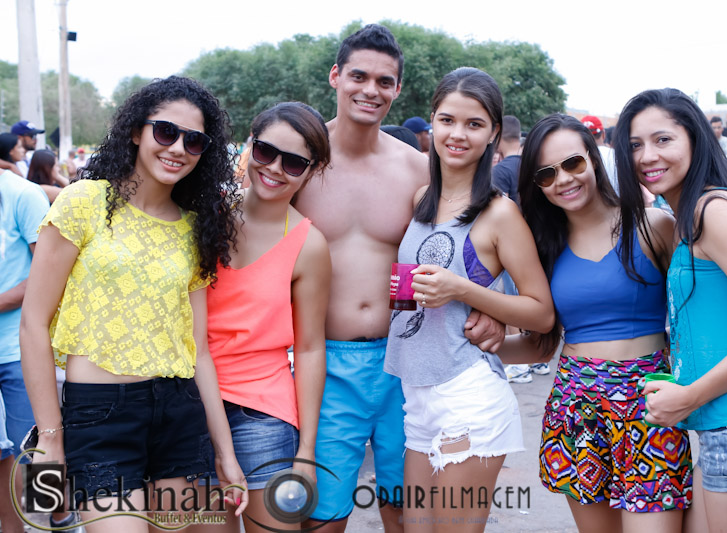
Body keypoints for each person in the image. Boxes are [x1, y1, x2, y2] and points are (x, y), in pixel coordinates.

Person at [294, 24, 505, 533]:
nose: (370, 90)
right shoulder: (298, 162)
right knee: (322, 516)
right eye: (359, 76)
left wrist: (491, 306)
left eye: (384, 81)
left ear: (397, 89)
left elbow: (474, 241)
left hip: (406, 361)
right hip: (326, 362)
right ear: (335, 76)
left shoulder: (419, 170)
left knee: (408, 514)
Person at [19, 76, 248, 532]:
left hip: (178, 413)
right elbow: (33, 323)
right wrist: (50, 438)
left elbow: (198, 350)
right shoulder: (85, 201)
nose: (178, 147)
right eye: (166, 131)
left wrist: (226, 453)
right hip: (98, 417)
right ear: (135, 132)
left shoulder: (195, 228)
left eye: (194, 140)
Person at [615, 87, 727, 533]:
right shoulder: (690, 213)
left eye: (663, 139)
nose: (647, 156)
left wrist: (690, 396)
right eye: (635, 145)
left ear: (695, 139)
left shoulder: (711, 211)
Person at [385, 67, 554, 532]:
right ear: (433, 122)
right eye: (447, 120)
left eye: (474, 124)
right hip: (416, 395)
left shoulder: (499, 213)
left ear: (493, 133)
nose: (457, 134)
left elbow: (541, 313)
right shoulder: (422, 199)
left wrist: (463, 290)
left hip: (467, 396)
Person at [509, 113, 692, 533]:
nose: (563, 180)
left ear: (593, 158)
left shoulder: (653, 226)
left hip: (648, 408)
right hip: (577, 410)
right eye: (546, 173)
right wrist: (479, 344)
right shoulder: (543, 247)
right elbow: (540, 345)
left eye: (573, 163)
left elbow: (694, 315)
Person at [197, 102, 331, 533]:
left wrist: (306, 451)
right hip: (190, 404)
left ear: (312, 170)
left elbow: (309, 348)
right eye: (266, 151)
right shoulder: (205, 215)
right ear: (249, 145)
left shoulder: (309, 245)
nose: (274, 168)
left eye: (293, 162)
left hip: (263, 415)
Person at [0, 133, 52, 533]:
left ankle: (54, 513)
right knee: (2, 455)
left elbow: (46, 272)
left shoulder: (22, 194)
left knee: (38, 443)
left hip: (19, 347)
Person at [491, 115, 522, 204]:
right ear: (519, 135)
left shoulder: (500, 171)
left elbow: (501, 207)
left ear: (497, 136)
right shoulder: (535, 162)